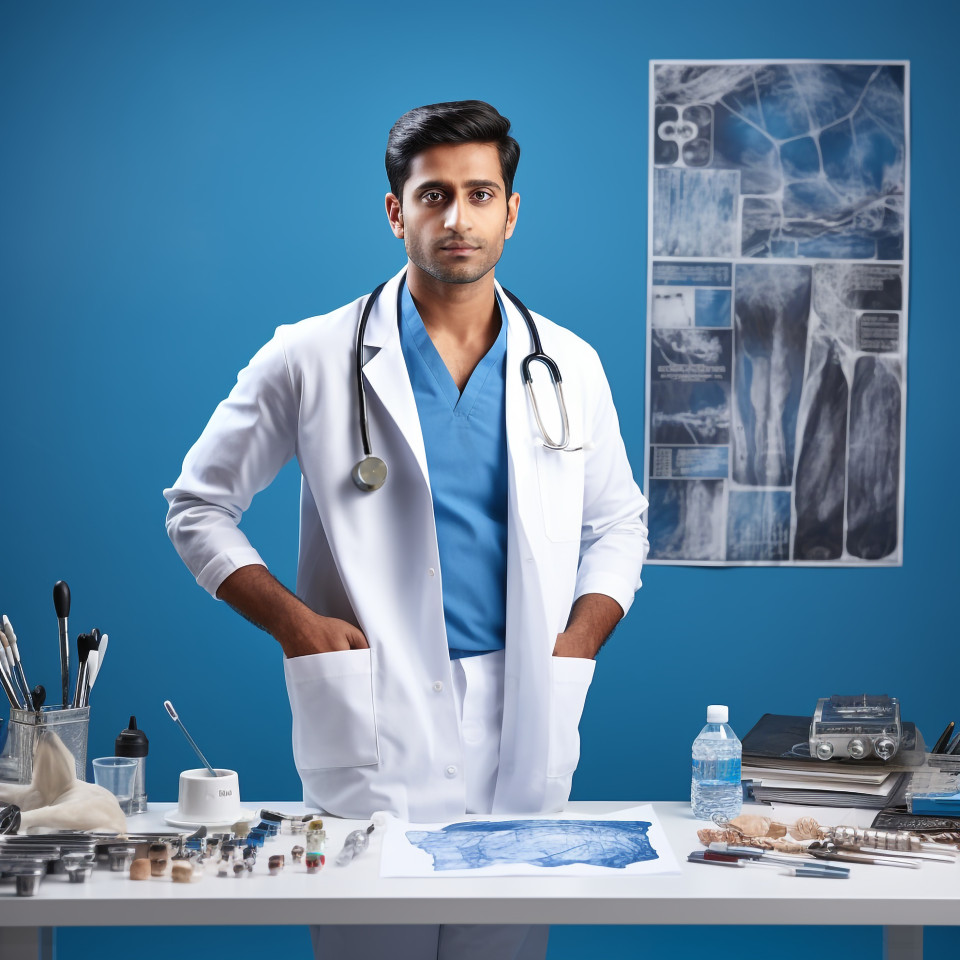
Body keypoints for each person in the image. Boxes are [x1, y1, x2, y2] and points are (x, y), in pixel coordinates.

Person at [164, 100, 648, 960]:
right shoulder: (310, 355)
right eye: (433, 197)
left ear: (511, 209)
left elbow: (619, 523)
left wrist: (578, 643)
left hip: (522, 714)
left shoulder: (568, 364)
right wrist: (299, 625)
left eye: (479, 193)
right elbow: (197, 506)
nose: (456, 219)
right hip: (373, 713)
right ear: (397, 213)